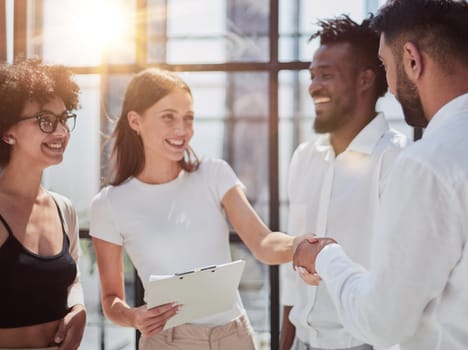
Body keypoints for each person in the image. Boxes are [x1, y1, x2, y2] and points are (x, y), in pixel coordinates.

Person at [89, 68, 307, 350]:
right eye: (168, 117)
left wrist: (302, 245)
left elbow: (263, 242)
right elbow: (110, 300)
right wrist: (134, 317)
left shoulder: (214, 175)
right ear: (135, 121)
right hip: (168, 341)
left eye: (188, 118)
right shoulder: (109, 204)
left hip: (234, 337)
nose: (182, 130)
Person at [292, 1, 468, 349]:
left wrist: (325, 255)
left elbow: (383, 324)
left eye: (386, 65)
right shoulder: (306, 158)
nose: (389, 82)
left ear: (412, 60)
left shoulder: (424, 164)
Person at [280, 15, 407, 350]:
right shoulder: (304, 157)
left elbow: (402, 280)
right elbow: (292, 270)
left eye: (326, 75)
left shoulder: (396, 161)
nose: (313, 86)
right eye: (312, 76)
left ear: (365, 80)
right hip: (301, 342)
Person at [0, 59, 86, 350]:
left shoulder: (64, 209)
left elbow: (72, 281)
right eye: (45, 121)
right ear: (8, 131)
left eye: (64, 119)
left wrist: (78, 308)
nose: (61, 131)